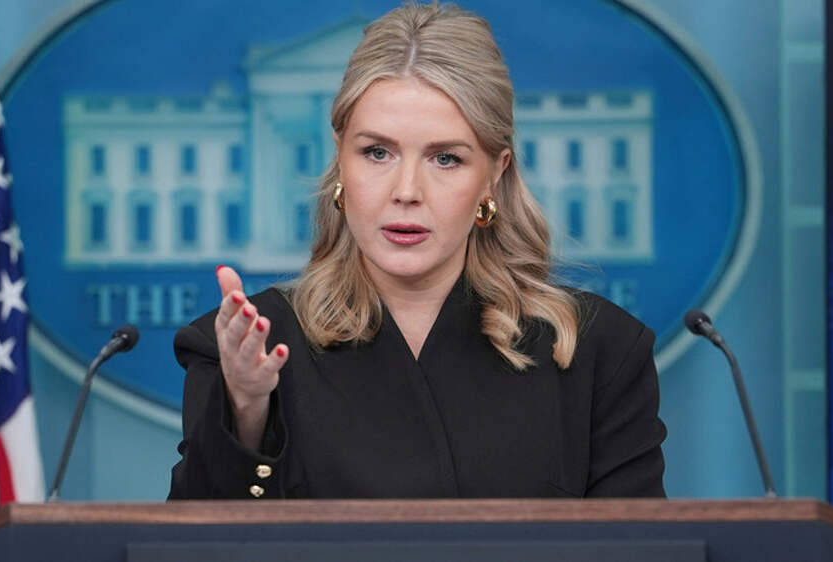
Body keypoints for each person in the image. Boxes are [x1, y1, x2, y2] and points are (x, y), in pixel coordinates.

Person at [168, 1, 666, 500]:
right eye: (377, 153)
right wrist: (245, 413)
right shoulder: (250, 350)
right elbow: (190, 539)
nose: (406, 190)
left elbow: (642, 540)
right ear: (341, 159)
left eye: (445, 158)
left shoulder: (600, 351)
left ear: (494, 174)